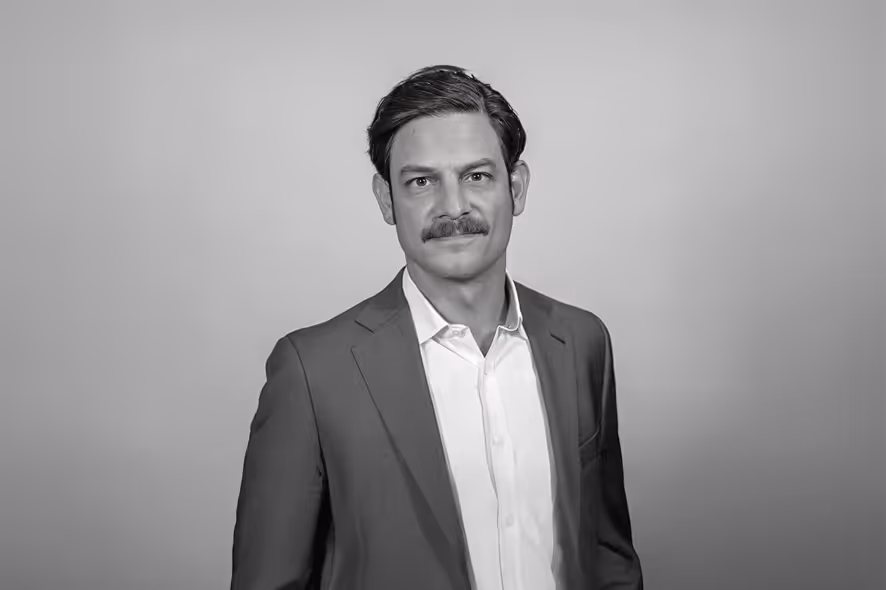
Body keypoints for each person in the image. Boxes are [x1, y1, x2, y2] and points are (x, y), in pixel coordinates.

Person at [231, 65, 643, 590]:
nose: (453, 208)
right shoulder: (313, 374)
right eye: (422, 181)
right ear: (386, 200)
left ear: (515, 188)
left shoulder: (582, 343)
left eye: (477, 176)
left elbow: (608, 555)